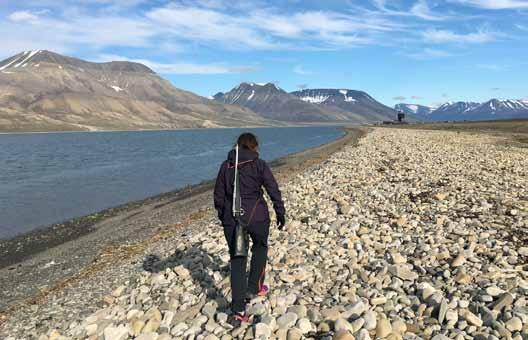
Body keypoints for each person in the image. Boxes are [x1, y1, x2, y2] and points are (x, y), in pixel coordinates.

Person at [214, 132, 286, 326]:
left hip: (233, 219)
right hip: (258, 217)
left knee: (238, 260)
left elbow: (218, 196)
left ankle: (238, 310)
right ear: (254, 146)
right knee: (260, 248)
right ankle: (254, 287)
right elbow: (273, 189)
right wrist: (280, 213)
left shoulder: (226, 166)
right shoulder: (259, 165)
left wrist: (224, 217)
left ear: (237, 146)